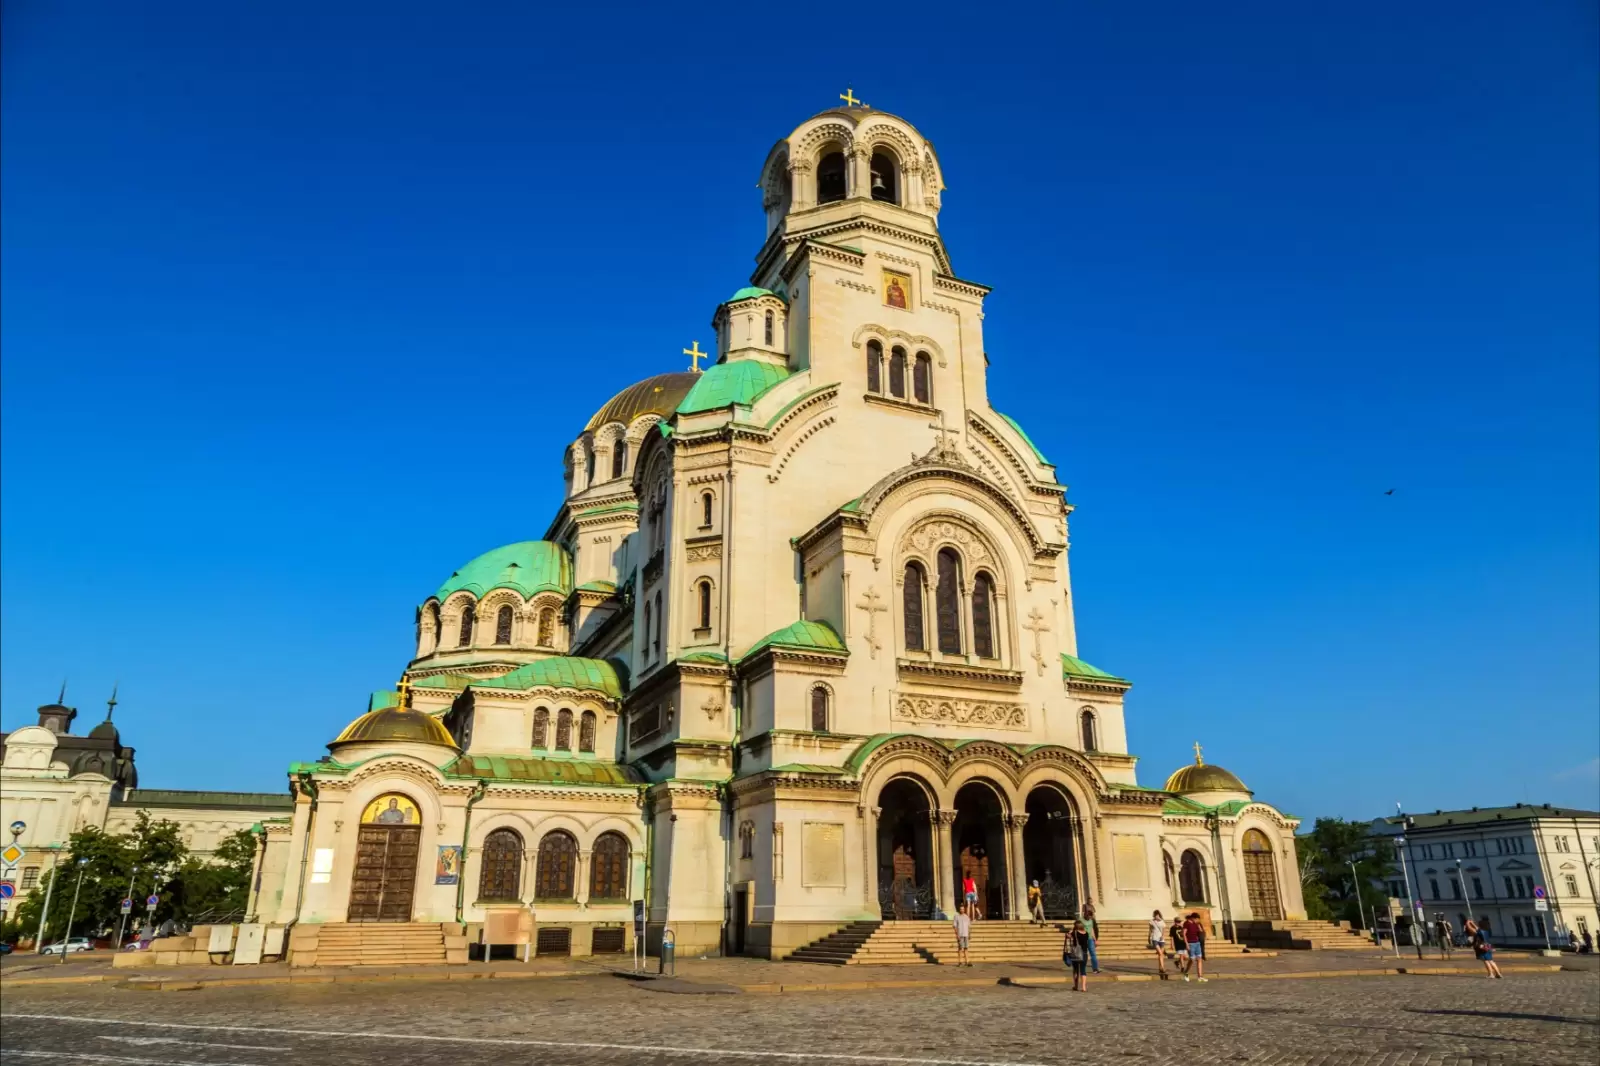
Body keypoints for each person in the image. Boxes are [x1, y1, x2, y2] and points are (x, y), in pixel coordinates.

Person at [1065, 919, 1091, 992]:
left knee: (1076, 970)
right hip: (1085, 953)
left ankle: (1076, 986)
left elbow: (1068, 937)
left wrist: (1069, 933)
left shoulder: (1075, 932)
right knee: (1083, 970)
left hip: (1076, 952)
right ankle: (1083, 987)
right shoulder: (1086, 933)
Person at [1182, 912, 1208, 982]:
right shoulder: (1186, 923)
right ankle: (1186, 972)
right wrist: (1186, 944)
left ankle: (1200, 976)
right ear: (1193, 918)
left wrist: (1199, 925)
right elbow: (1184, 934)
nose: (1197, 921)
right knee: (1192, 959)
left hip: (1197, 943)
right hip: (1190, 943)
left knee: (1199, 958)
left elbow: (1200, 931)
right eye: (1197, 919)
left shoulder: (1195, 924)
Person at [1081, 901, 1100, 974]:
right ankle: (1083, 969)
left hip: (1090, 939)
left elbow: (1092, 930)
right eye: (1089, 917)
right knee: (1084, 954)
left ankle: (1095, 969)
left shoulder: (1091, 920)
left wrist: (1095, 940)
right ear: (1086, 915)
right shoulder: (1081, 920)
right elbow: (1077, 928)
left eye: (1091, 917)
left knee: (1093, 954)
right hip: (1083, 939)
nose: (1090, 918)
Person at [1148, 910, 1167, 979]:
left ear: (1159, 915)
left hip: (1161, 940)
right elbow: (1150, 930)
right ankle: (1162, 968)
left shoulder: (1162, 921)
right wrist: (1148, 937)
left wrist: (1163, 936)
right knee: (1160, 953)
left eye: (1158, 915)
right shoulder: (1151, 921)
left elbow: (1164, 930)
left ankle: (1160, 968)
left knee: (1160, 954)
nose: (1156, 916)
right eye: (1155, 915)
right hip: (1154, 939)